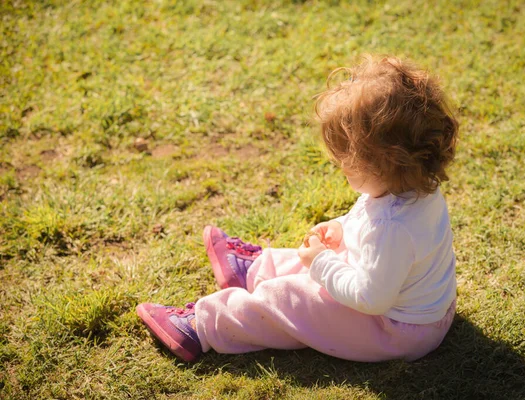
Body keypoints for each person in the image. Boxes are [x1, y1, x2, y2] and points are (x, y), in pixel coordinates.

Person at [136, 54, 459, 363]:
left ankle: (202, 327)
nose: (340, 167)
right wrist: (342, 227)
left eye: (346, 162)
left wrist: (320, 262)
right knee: (324, 260)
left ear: (382, 164)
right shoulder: (413, 189)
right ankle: (255, 269)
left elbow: (370, 297)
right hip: (420, 314)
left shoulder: (394, 228)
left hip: (393, 329)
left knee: (294, 299)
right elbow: (374, 228)